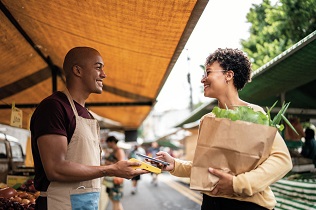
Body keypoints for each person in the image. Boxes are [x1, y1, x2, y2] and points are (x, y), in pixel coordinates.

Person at [154, 48, 292, 210]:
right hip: (211, 204)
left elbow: (282, 160)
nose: (203, 80)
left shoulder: (255, 114)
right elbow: (207, 168)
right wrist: (175, 165)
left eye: (208, 72)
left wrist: (237, 184)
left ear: (228, 75)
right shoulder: (208, 120)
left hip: (248, 205)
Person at [30, 47, 147, 210]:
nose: (104, 74)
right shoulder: (53, 107)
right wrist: (111, 169)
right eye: (98, 67)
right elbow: (55, 169)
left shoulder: (88, 115)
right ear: (78, 70)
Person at [104, 136, 125, 210]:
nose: (107, 144)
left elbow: (121, 164)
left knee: (116, 201)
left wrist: (108, 163)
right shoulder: (114, 151)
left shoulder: (119, 151)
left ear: (112, 142)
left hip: (116, 179)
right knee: (114, 200)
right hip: (112, 179)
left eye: (108, 143)